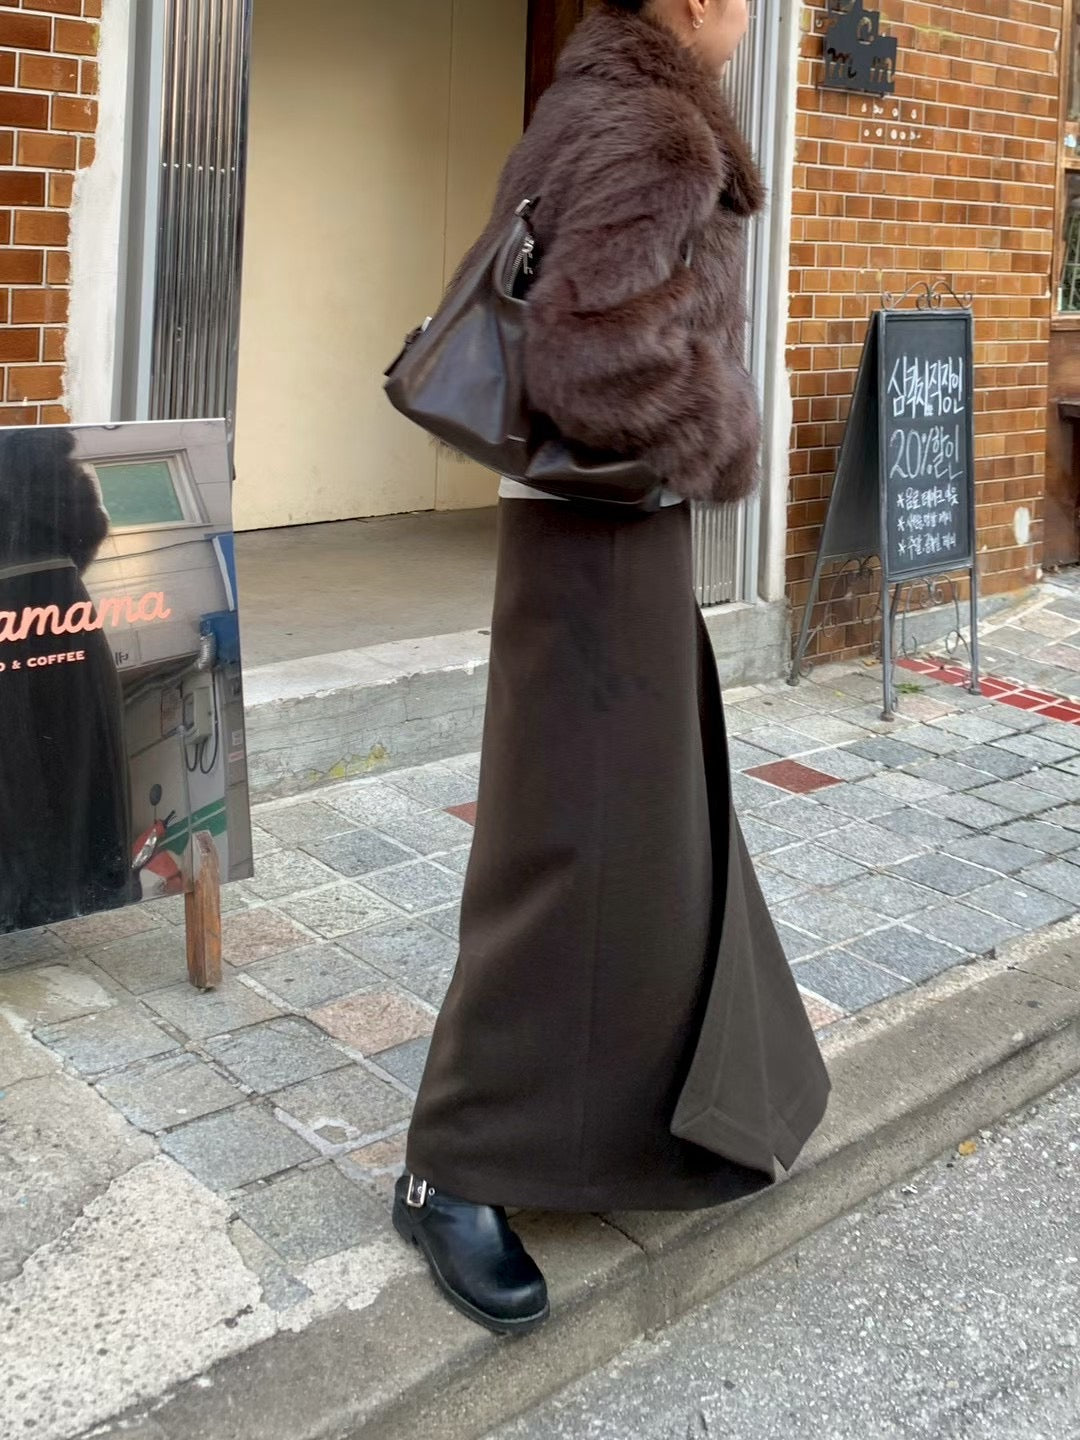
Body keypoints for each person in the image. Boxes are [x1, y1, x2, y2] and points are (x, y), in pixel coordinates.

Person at [393, 0, 830, 1335]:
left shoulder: (591, 102)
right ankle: (452, 1167)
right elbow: (591, 353)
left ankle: (629, 1118)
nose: (751, 14)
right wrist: (724, 433)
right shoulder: (655, 129)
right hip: (602, 527)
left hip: (588, 526)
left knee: (631, 833)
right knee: (567, 846)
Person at [0, 427, 132, 933]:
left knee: (15, 764)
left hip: (24, 613)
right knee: (78, 754)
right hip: (64, 612)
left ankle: (20, 898)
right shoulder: (68, 475)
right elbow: (90, 533)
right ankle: (79, 884)